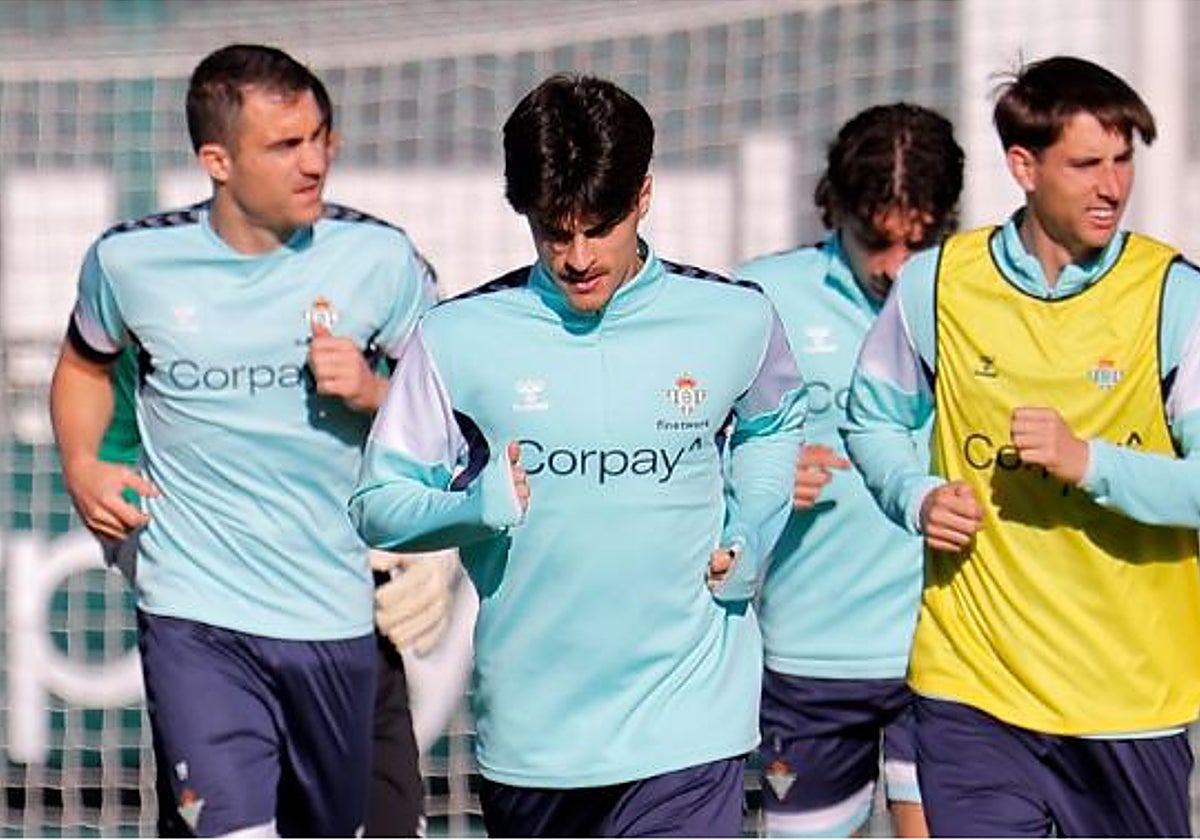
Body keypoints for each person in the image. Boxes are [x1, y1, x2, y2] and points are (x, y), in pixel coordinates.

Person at [349, 73, 806, 838]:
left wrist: (753, 528)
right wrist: (472, 508)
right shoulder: (458, 337)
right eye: (554, 231)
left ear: (645, 196)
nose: (577, 257)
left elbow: (774, 423)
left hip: (689, 728)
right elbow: (377, 505)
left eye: (599, 226)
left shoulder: (735, 320)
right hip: (535, 746)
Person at [49, 43, 444, 837]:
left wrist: (371, 392)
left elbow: (454, 411)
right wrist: (82, 465)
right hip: (194, 612)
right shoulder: (131, 261)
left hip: (335, 615)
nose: (314, 163)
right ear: (217, 160)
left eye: (321, 137)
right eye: (285, 145)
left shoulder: (381, 259)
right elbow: (83, 366)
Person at [843, 55, 1200, 837]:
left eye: (1122, 161)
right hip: (973, 692)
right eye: (1086, 164)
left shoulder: (1174, 297)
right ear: (1024, 166)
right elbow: (870, 419)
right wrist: (917, 495)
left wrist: (1093, 464)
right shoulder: (937, 285)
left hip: (1125, 702)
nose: (1112, 186)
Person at [737, 103, 963, 838]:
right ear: (832, 206)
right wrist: (752, 472)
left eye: (919, 240)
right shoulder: (760, 297)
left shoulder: (977, 297)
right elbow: (680, 442)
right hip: (805, 662)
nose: (897, 265)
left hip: (947, 652)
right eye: (878, 240)